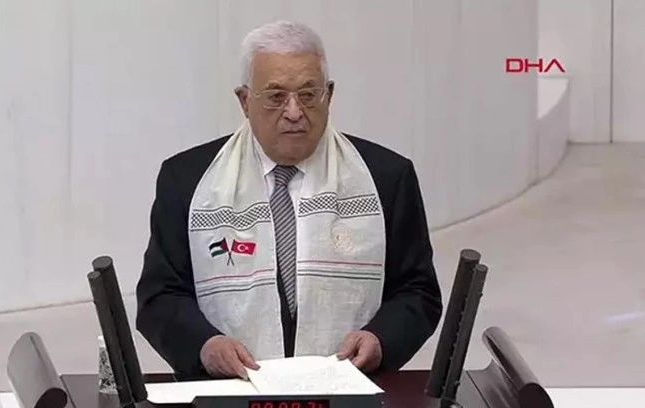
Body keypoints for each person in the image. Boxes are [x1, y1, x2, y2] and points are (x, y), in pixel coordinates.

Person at [135, 20, 442, 380]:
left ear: (329, 95)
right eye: (276, 96)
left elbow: (418, 292)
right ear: (245, 101)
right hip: (229, 390)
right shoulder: (187, 180)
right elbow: (160, 296)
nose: (294, 112)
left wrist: (380, 339)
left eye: (309, 95)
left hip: (350, 388)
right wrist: (205, 345)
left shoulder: (386, 178)